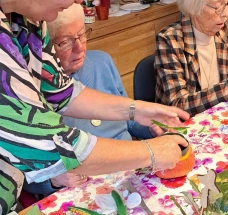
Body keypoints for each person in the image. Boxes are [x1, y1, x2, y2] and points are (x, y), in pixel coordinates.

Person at [0, 0, 190, 211]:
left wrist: (136, 110)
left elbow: (61, 92)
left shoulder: (29, 17)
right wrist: (151, 152)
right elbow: (55, 144)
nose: (79, 1)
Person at [23, 4, 162, 195]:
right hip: (84, 189)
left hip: (131, 169)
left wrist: (152, 128)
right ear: (44, 46)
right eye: (65, 41)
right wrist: (53, 179)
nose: (79, 48)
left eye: (81, 34)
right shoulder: (28, 89)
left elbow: (129, 121)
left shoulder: (102, 62)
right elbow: (24, 173)